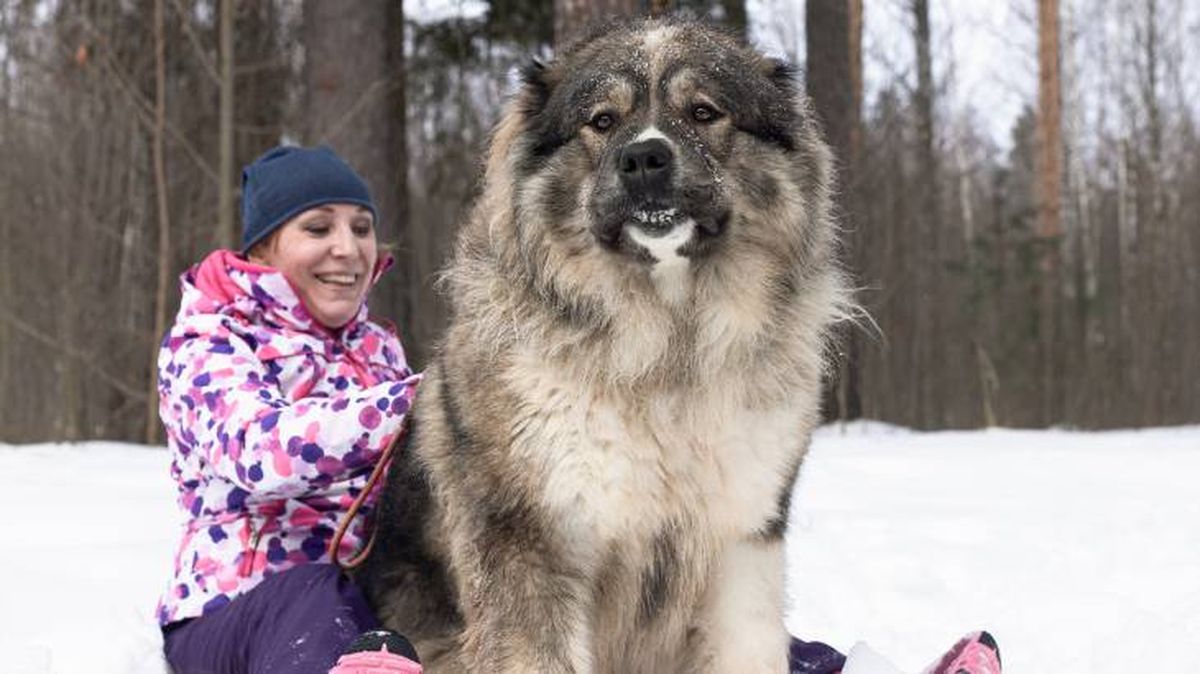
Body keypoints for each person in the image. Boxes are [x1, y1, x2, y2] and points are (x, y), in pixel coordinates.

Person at [156, 145, 423, 674]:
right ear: (264, 248)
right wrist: (417, 400)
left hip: (366, 600)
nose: (348, 248)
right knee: (314, 592)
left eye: (362, 228)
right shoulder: (209, 340)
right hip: (233, 617)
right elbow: (260, 451)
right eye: (319, 229)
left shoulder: (380, 348)